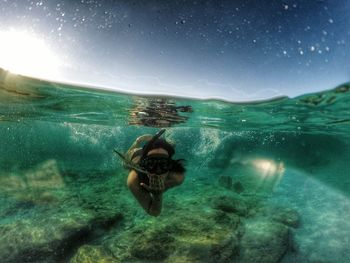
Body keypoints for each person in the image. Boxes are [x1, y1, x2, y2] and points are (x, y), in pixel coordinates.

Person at [117, 129, 185, 216]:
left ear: (170, 165)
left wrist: (157, 196)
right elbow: (154, 213)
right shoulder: (134, 179)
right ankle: (138, 141)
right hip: (135, 155)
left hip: (147, 154)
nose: (157, 171)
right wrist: (157, 196)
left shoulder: (177, 177)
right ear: (144, 164)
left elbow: (154, 212)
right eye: (151, 164)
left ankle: (159, 142)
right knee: (125, 163)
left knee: (170, 146)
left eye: (163, 164)